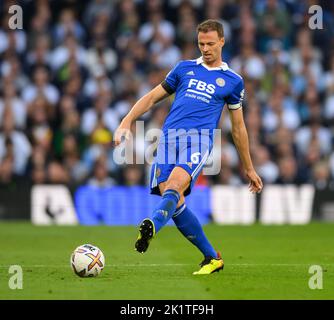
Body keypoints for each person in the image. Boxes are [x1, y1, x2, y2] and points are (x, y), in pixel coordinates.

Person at [114, 19, 263, 275]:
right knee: (173, 198)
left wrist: (248, 168)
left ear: (222, 41)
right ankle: (212, 258)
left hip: (198, 141)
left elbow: (238, 128)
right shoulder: (183, 69)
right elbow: (151, 98)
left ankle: (152, 225)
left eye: (211, 44)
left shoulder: (232, 81)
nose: (205, 49)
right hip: (168, 140)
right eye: (201, 43)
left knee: (173, 187)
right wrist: (126, 121)